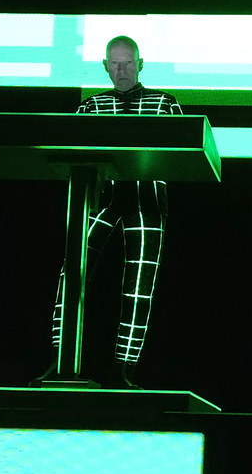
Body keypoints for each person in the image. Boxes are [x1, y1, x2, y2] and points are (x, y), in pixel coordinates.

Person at [47, 36, 183, 389]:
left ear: (141, 64)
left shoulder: (164, 103)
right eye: (115, 63)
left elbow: (183, 149)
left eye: (128, 62)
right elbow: (69, 147)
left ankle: (125, 369)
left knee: (140, 286)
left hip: (147, 199)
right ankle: (60, 360)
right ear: (105, 66)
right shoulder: (91, 105)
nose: (122, 70)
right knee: (72, 273)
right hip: (98, 197)